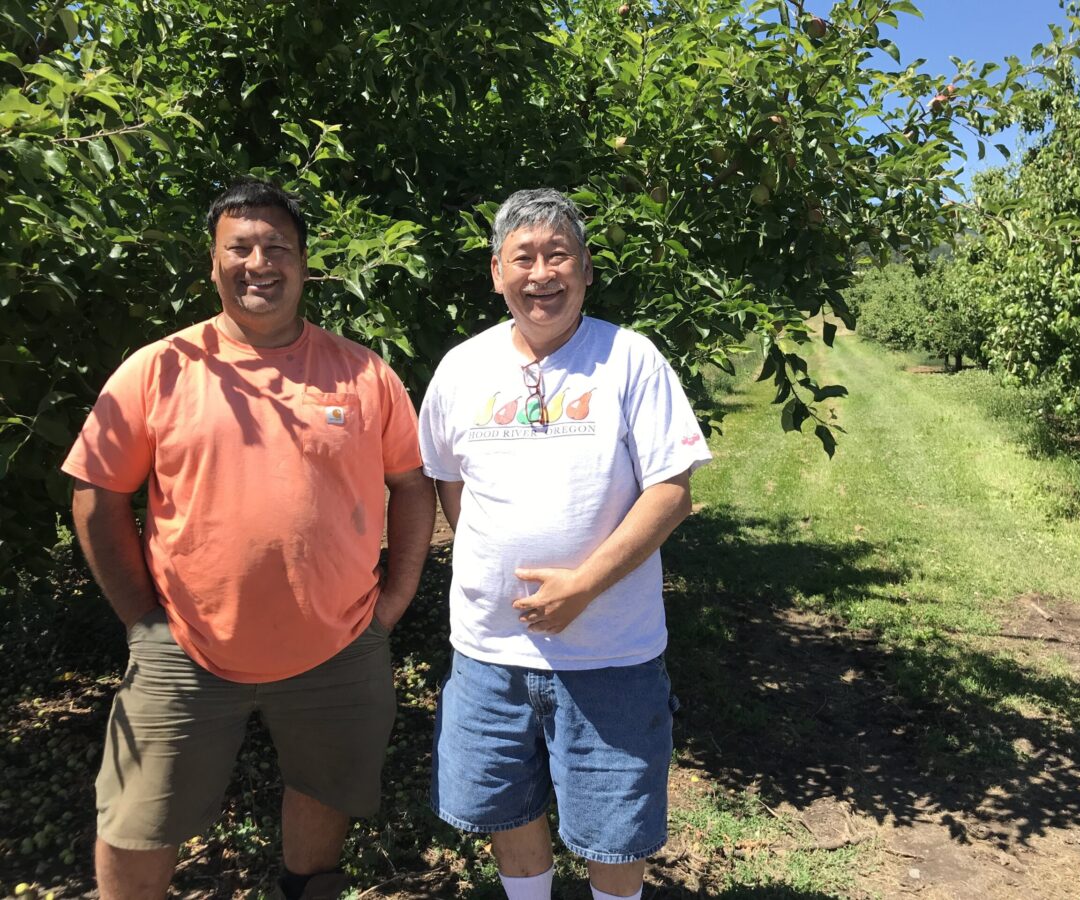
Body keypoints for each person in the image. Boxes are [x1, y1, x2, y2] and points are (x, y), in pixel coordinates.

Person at [62, 178, 435, 900]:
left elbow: (411, 484)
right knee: (139, 819)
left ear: (303, 263)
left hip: (339, 646)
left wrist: (395, 600)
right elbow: (97, 492)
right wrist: (143, 621)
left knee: (326, 796)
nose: (259, 262)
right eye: (240, 247)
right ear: (213, 262)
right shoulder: (159, 367)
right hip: (186, 648)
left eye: (278, 248)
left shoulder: (363, 372)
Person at [418, 188, 712, 900]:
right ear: (497, 272)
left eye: (559, 256)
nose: (541, 273)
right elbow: (447, 483)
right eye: (525, 257)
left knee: (615, 824)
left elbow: (673, 490)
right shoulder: (461, 369)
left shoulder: (629, 359)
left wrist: (582, 585)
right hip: (490, 649)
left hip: (609, 649)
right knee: (505, 806)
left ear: (584, 271)